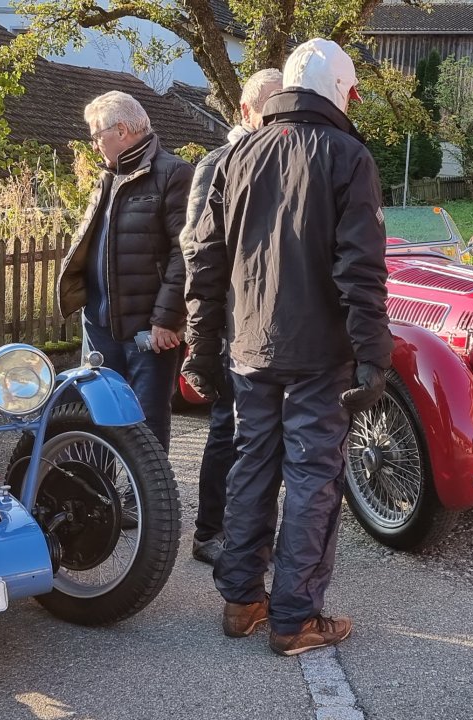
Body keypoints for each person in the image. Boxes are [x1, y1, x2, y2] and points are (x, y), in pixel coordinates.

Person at [182, 38, 391, 656]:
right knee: (312, 478)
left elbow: (204, 261)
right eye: (352, 93)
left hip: (249, 347)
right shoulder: (348, 155)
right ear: (341, 90)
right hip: (319, 354)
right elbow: (361, 269)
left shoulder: (236, 155)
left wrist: (201, 347)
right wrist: (373, 356)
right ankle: (295, 618)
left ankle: (242, 601)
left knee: (251, 467)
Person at [181, 67, 285, 566]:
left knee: (263, 433)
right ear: (246, 110)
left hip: (271, 322)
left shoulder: (286, 158)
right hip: (231, 320)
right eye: (272, 106)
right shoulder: (218, 163)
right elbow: (196, 247)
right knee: (229, 427)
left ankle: (253, 531)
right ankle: (210, 531)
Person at [56, 91, 193, 449]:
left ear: (122, 130)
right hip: (98, 325)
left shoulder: (174, 173)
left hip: (146, 329)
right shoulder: (107, 177)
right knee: (95, 418)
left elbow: (185, 252)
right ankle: (99, 486)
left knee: (144, 428)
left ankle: (144, 489)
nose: (94, 144)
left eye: (96, 135)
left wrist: (167, 319)